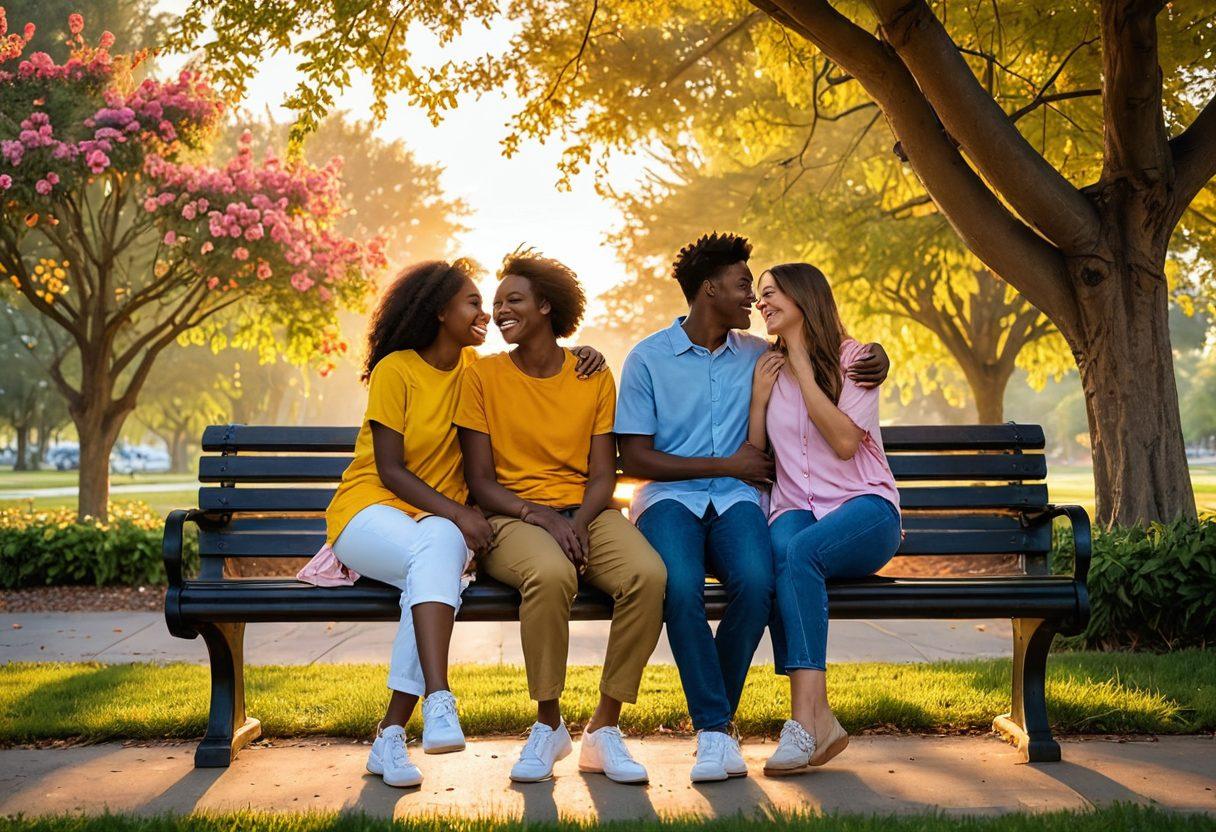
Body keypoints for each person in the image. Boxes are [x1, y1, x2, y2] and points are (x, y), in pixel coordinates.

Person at [298, 259, 607, 789]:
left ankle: (393, 735)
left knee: (435, 554)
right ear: (440, 312)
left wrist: (584, 354)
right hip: (370, 513)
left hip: (435, 525)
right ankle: (437, 697)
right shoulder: (398, 369)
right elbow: (391, 470)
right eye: (472, 302)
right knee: (435, 551)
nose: (485, 312)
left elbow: (534, 362)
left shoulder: (475, 371)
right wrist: (462, 512)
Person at [615, 233, 889, 783]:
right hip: (669, 500)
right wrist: (726, 465)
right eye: (746, 286)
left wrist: (876, 355)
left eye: (762, 290)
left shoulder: (763, 354)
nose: (753, 299)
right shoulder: (648, 357)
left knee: (758, 582)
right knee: (683, 586)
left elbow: (825, 353)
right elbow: (636, 457)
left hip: (745, 500)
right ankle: (716, 731)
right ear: (709, 287)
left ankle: (742, 725)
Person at [456, 250, 667, 785]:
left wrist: (576, 521)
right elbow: (481, 482)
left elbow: (603, 474)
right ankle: (549, 725)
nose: (500, 310)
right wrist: (544, 518)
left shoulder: (592, 374)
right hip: (512, 517)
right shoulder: (482, 376)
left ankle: (604, 728)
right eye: (496, 302)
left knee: (648, 575)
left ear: (546, 306)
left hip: (588, 512)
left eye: (513, 300)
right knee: (550, 575)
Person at [748, 262, 902, 776]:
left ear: (802, 295)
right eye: (758, 296)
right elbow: (757, 453)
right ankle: (817, 720)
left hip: (865, 509)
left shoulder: (856, 360)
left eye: (769, 293)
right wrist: (760, 398)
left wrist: (802, 362)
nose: (760, 302)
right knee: (781, 555)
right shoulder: (765, 366)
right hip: (794, 507)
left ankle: (804, 725)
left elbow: (842, 441)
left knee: (800, 552)